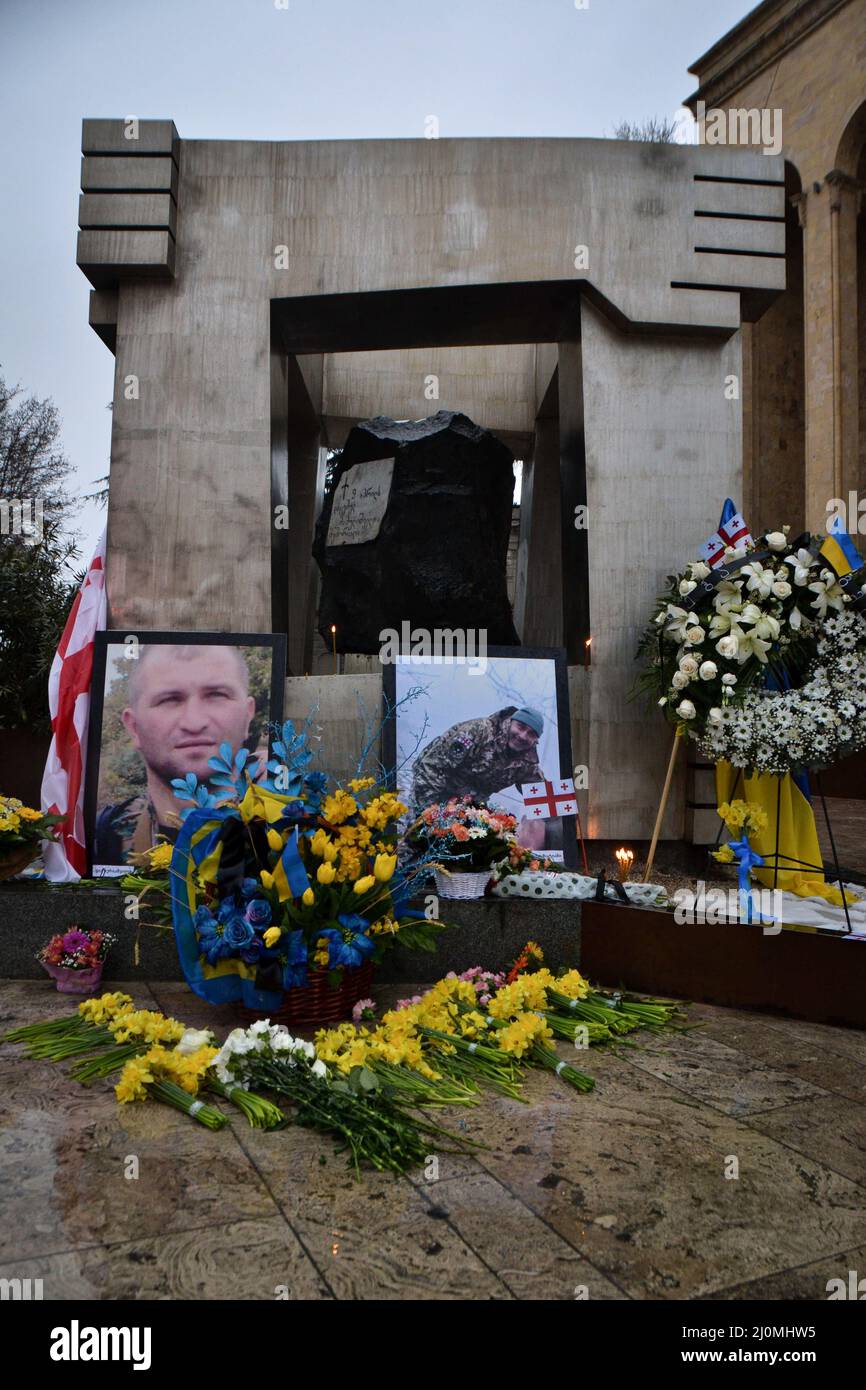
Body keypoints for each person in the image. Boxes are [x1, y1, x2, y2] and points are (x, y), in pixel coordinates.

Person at [93, 644, 255, 865]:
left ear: (248, 716)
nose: (194, 722)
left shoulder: (289, 836)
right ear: (133, 727)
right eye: (169, 700)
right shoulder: (96, 841)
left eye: (217, 695)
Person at [411, 705, 547, 815]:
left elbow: (544, 795)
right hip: (432, 792)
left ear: (536, 740)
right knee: (415, 842)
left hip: (468, 808)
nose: (523, 736)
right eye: (521, 727)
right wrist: (429, 812)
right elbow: (431, 767)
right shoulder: (478, 732)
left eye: (531, 734)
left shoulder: (526, 763)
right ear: (510, 722)